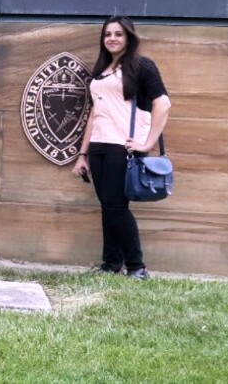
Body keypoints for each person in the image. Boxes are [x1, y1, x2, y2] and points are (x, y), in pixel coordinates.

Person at [71, 15, 171, 280]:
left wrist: (147, 143)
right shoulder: (102, 70)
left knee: (116, 207)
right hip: (99, 146)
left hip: (123, 147)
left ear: (129, 37)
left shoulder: (141, 66)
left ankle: (137, 267)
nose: (112, 38)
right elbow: (94, 114)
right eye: (107, 34)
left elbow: (163, 104)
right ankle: (112, 263)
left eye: (118, 34)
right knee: (108, 206)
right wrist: (82, 154)